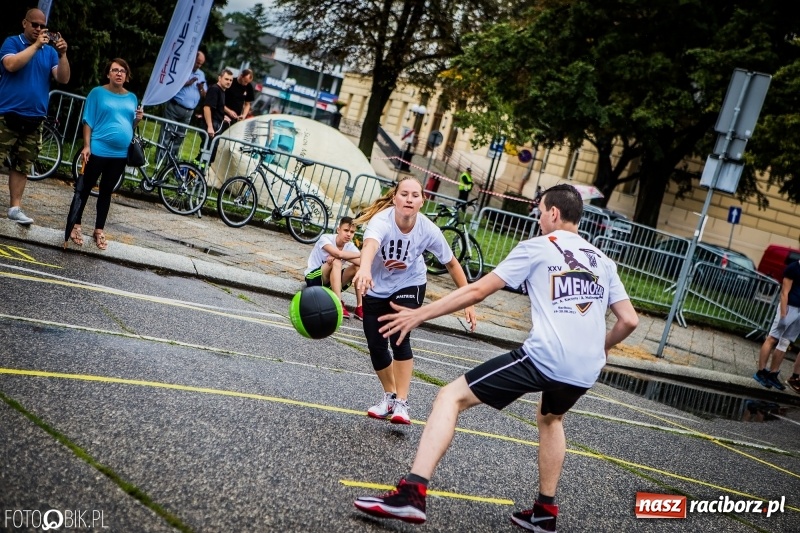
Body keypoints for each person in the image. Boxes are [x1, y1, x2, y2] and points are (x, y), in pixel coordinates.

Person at [353, 184, 639, 530]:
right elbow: (629, 320)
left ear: (553, 213)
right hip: (586, 368)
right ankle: (544, 512)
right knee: (551, 419)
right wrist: (603, 348)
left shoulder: (537, 247)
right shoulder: (603, 261)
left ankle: (412, 493)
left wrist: (418, 314)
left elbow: (477, 290)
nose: (537, 219)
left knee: (449, 396)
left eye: (539, 212)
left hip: (547, 357)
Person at [352, 176, 477, 425]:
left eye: (415, 195)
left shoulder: (428, 230)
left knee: (399, 336)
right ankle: (390, 396)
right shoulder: (381, 221)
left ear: (423, 200)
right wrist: (364, 269)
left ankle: (402, 403)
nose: (409, 199)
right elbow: (369, 246)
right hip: (377, 285)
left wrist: (469, 300)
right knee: (376, 344)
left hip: (410, 283)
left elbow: (452, 263)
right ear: (395, 197)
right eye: (404, 194)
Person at [0, 8, 70, 226]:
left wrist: (63, 54)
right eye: (35, 25)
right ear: (24, 23)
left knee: (23, 165)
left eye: (42, 26)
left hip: (34, 118)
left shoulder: (49, 52)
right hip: (7, 114)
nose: (39, 29)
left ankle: (15, 208)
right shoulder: (12, 42)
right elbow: (10, 65)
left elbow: (63, 78)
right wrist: (36, 45)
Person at [70, 58, 143, 250]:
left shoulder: (132, 98)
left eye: (123, 71)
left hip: (120, 154)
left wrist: (137, 120)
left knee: (106, 192)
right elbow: (88, 121)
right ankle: (75, 225)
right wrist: (87, 146)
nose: (119, 73)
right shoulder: (97, 93)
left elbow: (129, 124)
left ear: (127, 76)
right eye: (115, 70)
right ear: (108, 74)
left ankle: (99, 229)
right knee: (85, 188)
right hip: (99, 149)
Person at [753, 259, 800, 391]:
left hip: (799, 311)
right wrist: (783, 315)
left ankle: (773, 373)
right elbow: (784, 293)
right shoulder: (793, 268)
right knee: (773, 338)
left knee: (784, 342)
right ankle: (761, 372)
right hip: (788, 308)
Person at [304, 216, 363, 320]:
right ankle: (338, 303)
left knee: (357, 267)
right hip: (314, 278)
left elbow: (362, 262)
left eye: (352, 232)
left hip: (332, 282)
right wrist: (341, 255)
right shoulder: (325, 238)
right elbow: (337, 254)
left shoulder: (350, 246)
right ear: (338, 230)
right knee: (336, 261)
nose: (349, 234)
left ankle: (360, 307)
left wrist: (359, 255)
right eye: (346, 230)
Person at [158, 51, 206, 160]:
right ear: (193, 60)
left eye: (201, 64)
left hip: (189, 111)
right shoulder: (181, 69)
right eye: (197, 62)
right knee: (167, 133)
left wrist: (201, 89)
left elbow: (205, 94)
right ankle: (159, 159)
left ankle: (171, 161)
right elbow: (171, 84)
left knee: (180, 136)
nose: (198, 65)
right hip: (175, 107)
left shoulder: (201, 74)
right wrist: (188, 83)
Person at [202, 68, 234, 163]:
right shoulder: (215, 89)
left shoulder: (222, 91)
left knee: (210, 155)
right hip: (212, 126)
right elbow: (207, 108)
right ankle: (191, 174)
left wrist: (222, 116)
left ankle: (199, 174)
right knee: (206, 154)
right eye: (226, 79)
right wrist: (210, 126)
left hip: (216, 124)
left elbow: (215, 108)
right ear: (219, 78)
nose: (228, 82)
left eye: (230, 80)